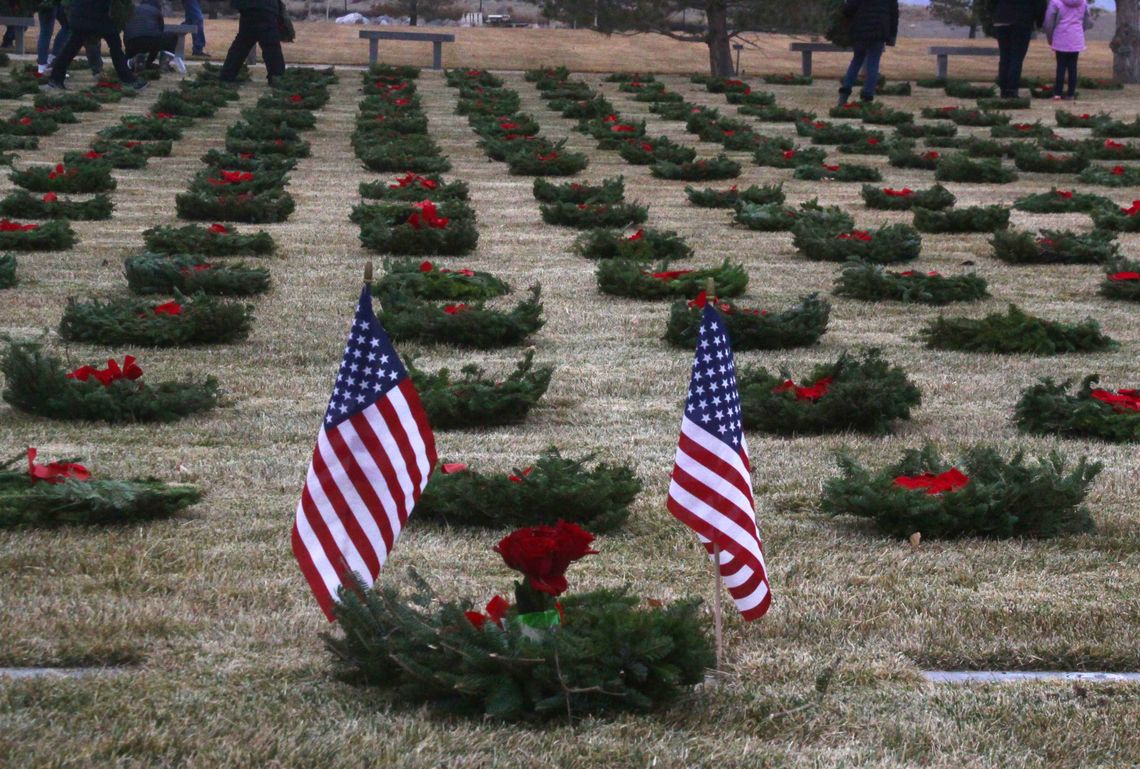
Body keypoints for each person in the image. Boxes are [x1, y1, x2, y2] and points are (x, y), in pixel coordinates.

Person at [45, 0, 146, 91]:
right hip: (95, 16)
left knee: (71, 48)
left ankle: (55, 78)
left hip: (86, 14)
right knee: (115, 47)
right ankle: (128, 79)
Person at [836, 0, 900, 106]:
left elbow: (848, 9)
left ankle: (844, 96)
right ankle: (867, 97)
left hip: (860, 30)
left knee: (856, 61)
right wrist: (892, 36)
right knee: (873, 64)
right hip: (879, 31)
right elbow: (894, 15)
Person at [218, 0, 285, 84]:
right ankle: (276, 76)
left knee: (242, 44)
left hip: (248, 7)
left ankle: (227, 75)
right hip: (265, 8)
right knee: (271, 46)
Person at [992, 0, 1047, 98]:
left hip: (1002, 18)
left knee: (1004, 57)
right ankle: (1012, 89)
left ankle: (1003, 89)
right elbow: (1039, 4)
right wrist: (1039, 22)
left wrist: (994, 14)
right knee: (1016, 57)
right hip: (1022, 20)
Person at [37, 1, 103, 76]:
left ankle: (53, 58)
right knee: (46, 32)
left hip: (59, 3)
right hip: (48, 3)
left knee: (68, 26)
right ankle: (42, 66)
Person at [124, 0, 186, 74]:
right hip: (151, 40)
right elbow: (160, 30)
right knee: (171, 37)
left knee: (145, 41)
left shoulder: (132, 10)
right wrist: (150, 60)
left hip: (131, 41)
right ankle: (164, 63)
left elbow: (127, 31)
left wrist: (128, 54)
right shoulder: (156, 11)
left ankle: (133, 61)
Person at [1043, 0, 1087, 101]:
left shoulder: (1056, 2)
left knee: (1061, 65)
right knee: (1073, 66)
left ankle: (1058, 92)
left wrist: (1050, 37)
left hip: (1061, 35)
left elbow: (1049, 21)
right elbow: (1087, 20)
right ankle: (1071, 93)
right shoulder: (1083, 2)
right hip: (1076, 36)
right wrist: (1080, 30)